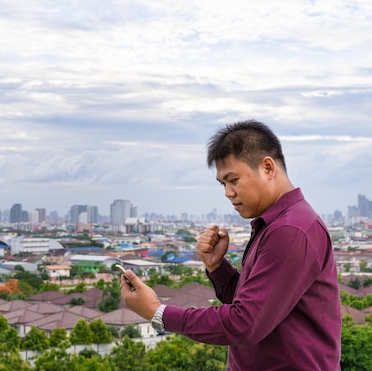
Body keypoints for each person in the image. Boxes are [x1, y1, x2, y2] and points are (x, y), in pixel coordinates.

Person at [120, 119, 342, 371]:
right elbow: (256, 304)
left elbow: (244, 324)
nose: (227, 192)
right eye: (223, 184)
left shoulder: (290, 230)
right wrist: (217, 268)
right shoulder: (277, 225)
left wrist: (157, 312)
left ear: (267, 168)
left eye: (233, 179)